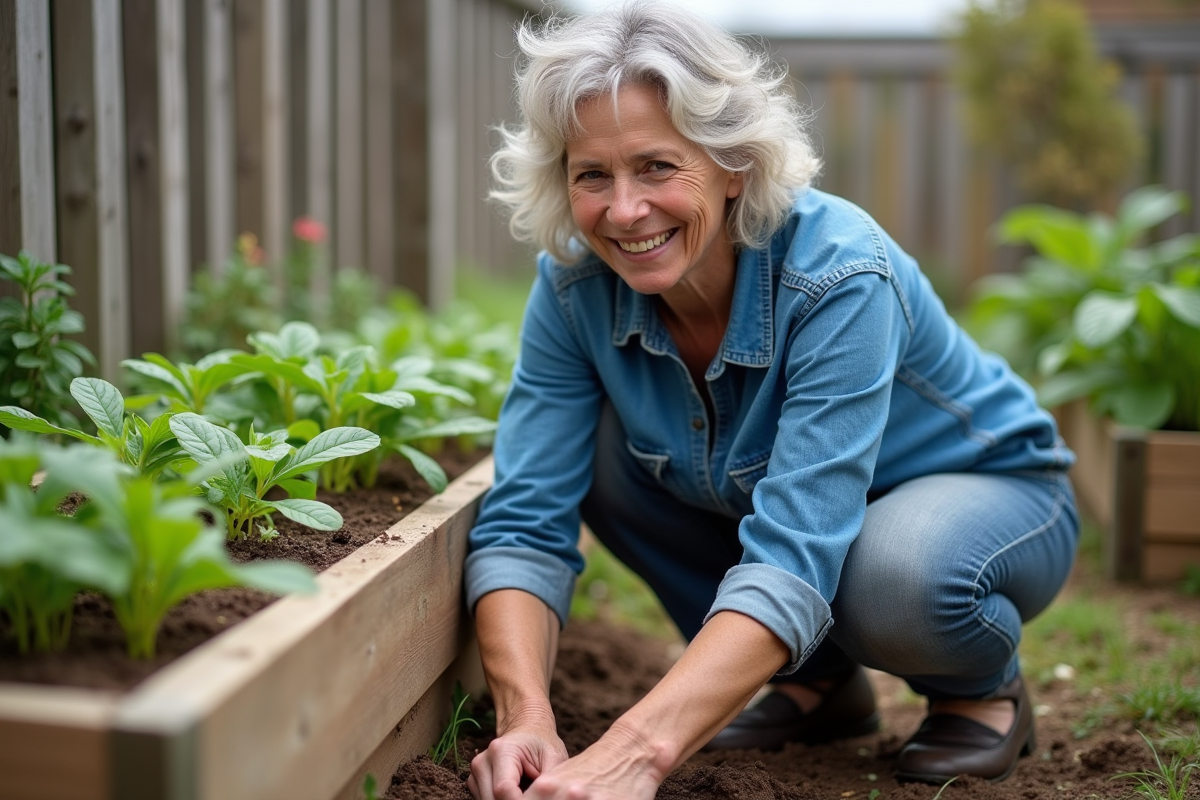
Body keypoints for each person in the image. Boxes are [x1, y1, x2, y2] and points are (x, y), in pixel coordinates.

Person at [463, 3, 1080, 798]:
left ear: (734, 166)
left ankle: (979, 691)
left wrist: (633, 753)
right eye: (592, 175)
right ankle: (818, 684)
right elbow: (523, 523)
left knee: (891, 580)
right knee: (602, 460)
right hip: (810, 516)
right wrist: (525, 719)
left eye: (656, 166)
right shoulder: (574, 287)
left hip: (989, 492)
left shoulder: (837, 274)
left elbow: (798, 548)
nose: (624, 210)